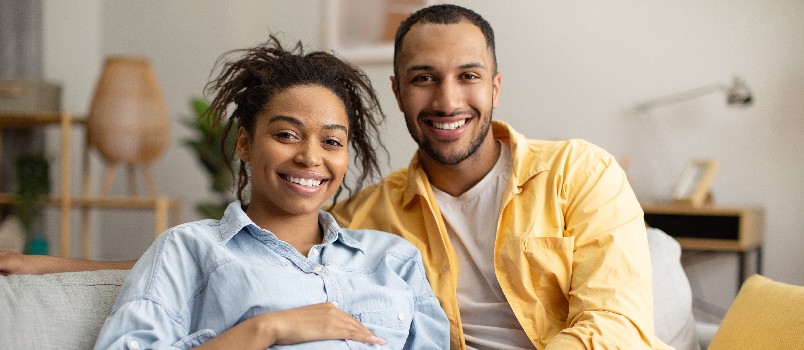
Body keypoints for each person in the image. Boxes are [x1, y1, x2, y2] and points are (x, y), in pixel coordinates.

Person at [1, 4, 667, 349]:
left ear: (495, 85)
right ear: (401, 92)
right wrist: (61, 264)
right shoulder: (380, 217)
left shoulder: (578, 172)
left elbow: (614, 331)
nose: (446, 99)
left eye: (467, 77)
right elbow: (252, 249)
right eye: (423, 79)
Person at [90, 36, 449, 349]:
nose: (310, 157)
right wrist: (266, 329)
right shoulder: (189, 250)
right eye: (286, 135)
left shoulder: (394, 261)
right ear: (245, 143)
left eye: (331, 141)